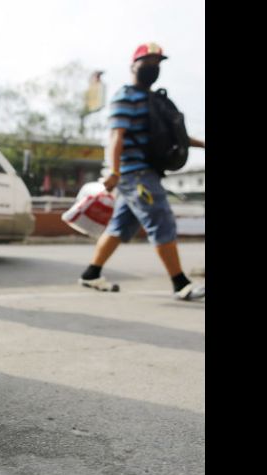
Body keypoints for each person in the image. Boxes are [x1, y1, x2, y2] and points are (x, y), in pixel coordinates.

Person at [78, 42, 205, 301]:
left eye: (157, 63)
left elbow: (175, 135)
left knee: (120, 226)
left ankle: (91, 274)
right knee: (162, 219)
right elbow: (117, 135)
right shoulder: (125, 96)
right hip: (135, 173)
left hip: (145, 172)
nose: (153, 68)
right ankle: (180, 284)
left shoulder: (155, 100)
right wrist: (114, 170)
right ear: (133, 66)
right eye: (147, 62)